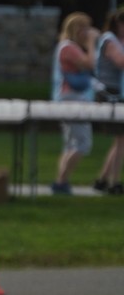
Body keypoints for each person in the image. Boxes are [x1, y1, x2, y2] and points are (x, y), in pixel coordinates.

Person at [50, 11, 99, 194]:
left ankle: (61, 182)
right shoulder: (68, 48)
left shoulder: (66, 47)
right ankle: (61, 182)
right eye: (85, 28)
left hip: (68, 99)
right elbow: (90, 64)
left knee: (70, 144)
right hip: (72, 99)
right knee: (82, 144)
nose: (89, 31)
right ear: (78, 29)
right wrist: (91, 42)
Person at [93, 9, 124, 194]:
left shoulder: (116, 40)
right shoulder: (110, 40)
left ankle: (103, 180)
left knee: (120, 139)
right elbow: (121, 62)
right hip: (109, 93)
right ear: (119, 24)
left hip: (116, 93)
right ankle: (114, 183)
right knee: (121, 139)